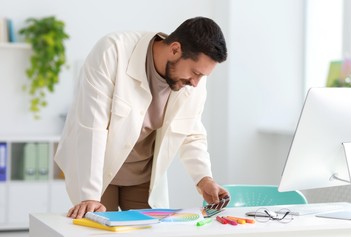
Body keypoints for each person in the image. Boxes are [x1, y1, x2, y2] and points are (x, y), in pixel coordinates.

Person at [54, 16, 229, 219]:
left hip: (143, 176)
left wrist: (203, 178)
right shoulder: (112, 52)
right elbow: (92, 126)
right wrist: (89, 195)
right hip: (98, 173)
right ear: (174, 49)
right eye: (195, 73)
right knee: (99, 236)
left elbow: (191, 132)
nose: (196, 82)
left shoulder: (193, 82)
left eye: (202, 76)